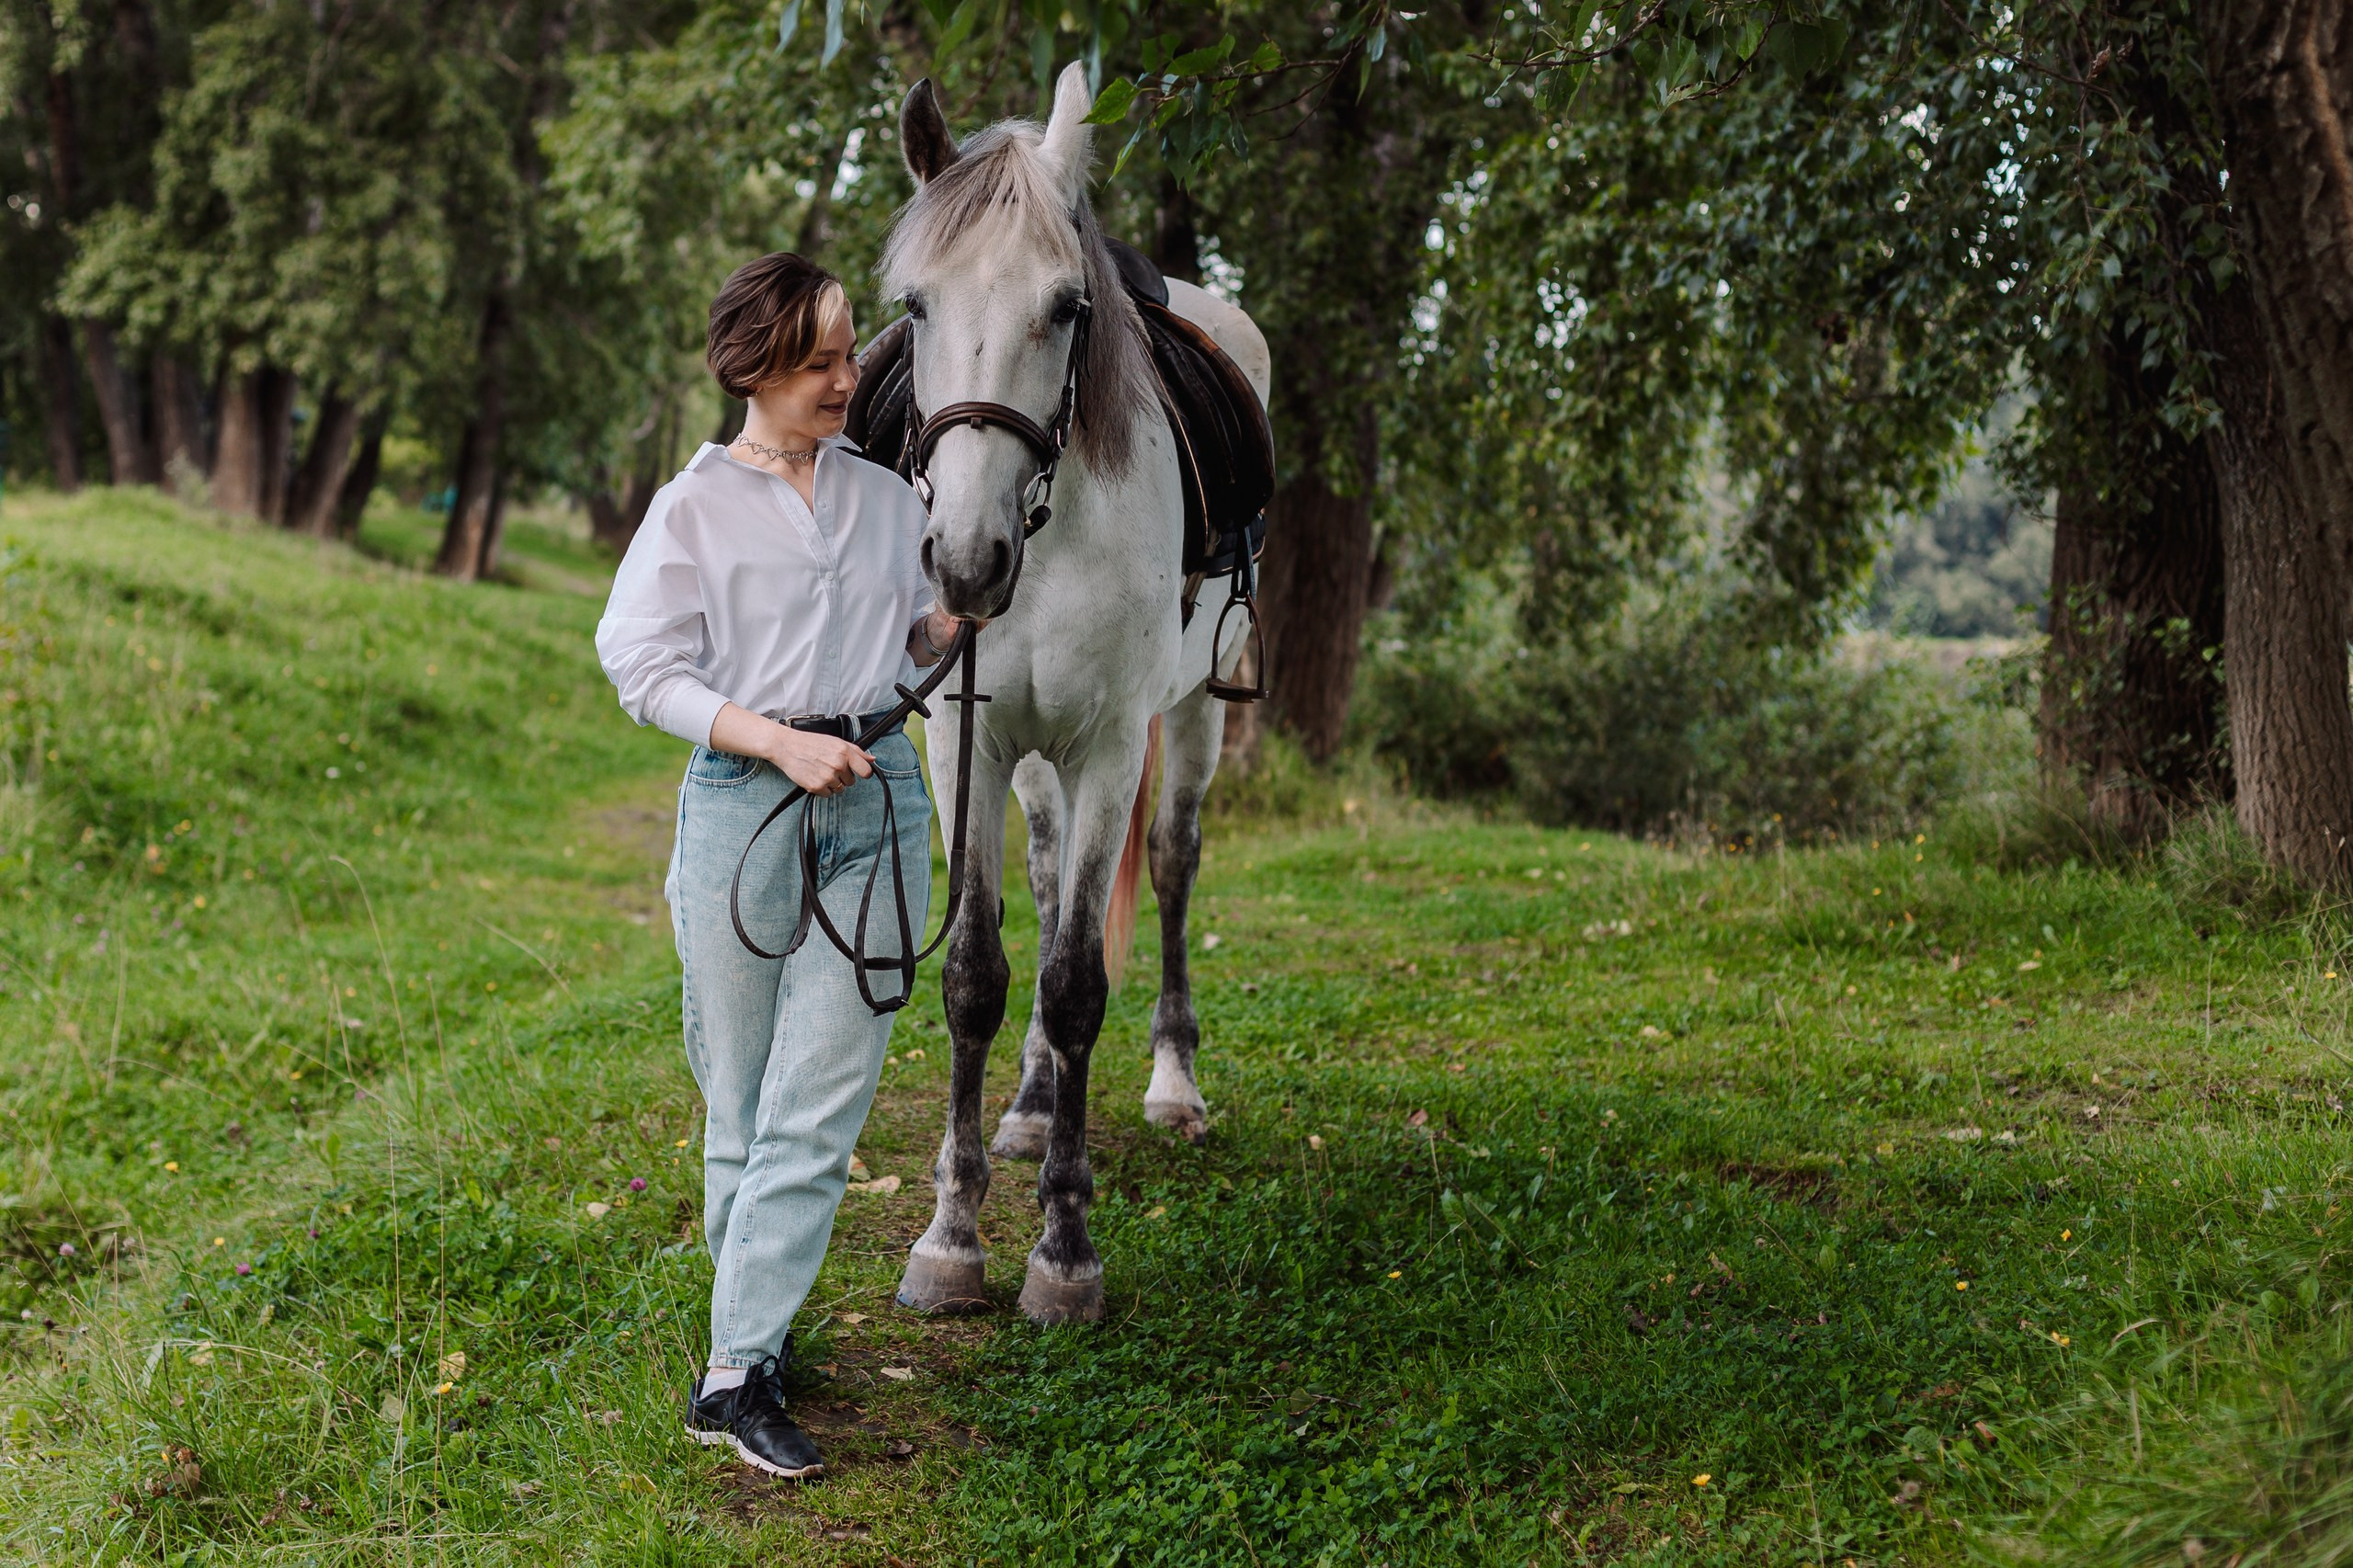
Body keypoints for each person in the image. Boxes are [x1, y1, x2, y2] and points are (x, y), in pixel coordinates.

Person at [596, 253, 964, 1480]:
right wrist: (775, 742)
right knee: (740, 1098)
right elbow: (641, 667)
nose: (846, 381)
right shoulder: (692, 508)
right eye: (817, 364)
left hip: (878, 796)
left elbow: (907, 639)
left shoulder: (889, 499)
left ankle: (737, 1367)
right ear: (751, 367)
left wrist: (954, 617)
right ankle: (752, 1338)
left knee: (817, 1097)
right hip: (739, 804)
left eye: (848, 356)